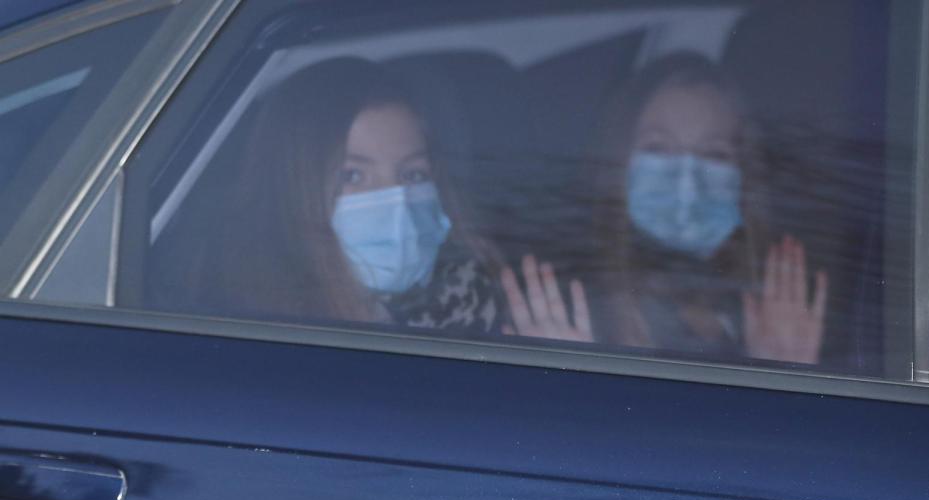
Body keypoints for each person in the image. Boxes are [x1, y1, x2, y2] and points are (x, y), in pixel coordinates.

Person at [502, 52, 827, 365]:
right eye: (658, 148)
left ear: (743, 178)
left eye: (714, 154)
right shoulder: (574, 304)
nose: (687, 181)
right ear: (620, 163)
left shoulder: (769, 312)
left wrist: (781, 371)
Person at [178, 58, 503, 333]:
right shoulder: (251, 327)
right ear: (296, 189)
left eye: (412, 174)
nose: (397, 200)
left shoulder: (467, 296)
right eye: (353, 175)